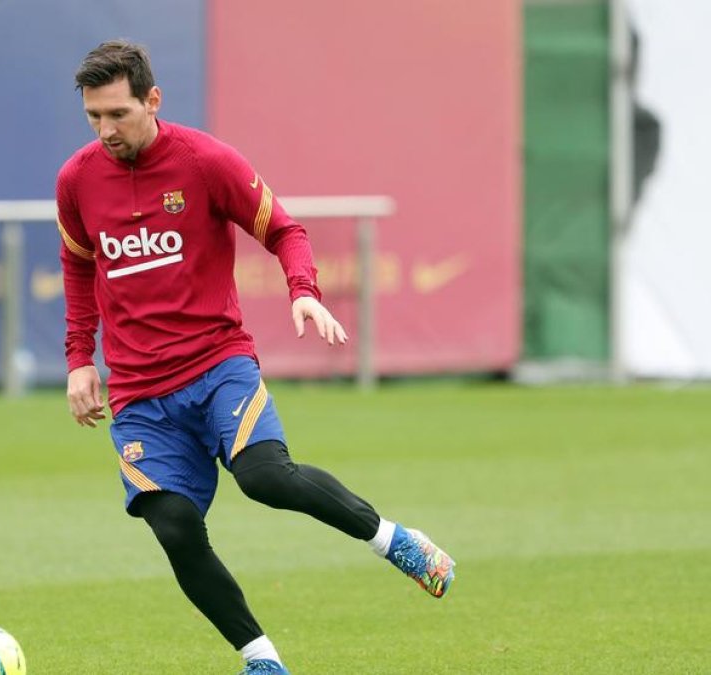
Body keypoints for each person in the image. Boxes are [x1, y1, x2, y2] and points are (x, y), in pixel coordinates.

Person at [56, 41, 455, 675]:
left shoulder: (205, 161)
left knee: (266, 478)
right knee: (174, 527)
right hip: (138, 394)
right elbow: (79, 268)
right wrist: (81, 359)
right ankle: (261, 659)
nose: (106, 131)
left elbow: (285, 230)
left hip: (217, 367)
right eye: (94, 118)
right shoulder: (76, 180)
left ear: (153, 101)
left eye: (119, 115)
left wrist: (304, 293)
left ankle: (394, 542)